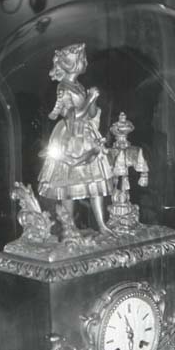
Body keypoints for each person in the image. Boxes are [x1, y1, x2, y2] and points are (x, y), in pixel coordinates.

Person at [38, 43, 113, 233]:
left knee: (95, 183)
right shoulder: (63, 88)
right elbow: (72, 116)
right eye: (82, 59)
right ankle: (69, 228)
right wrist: (89, 99)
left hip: (86, 135)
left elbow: (91, 114)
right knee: (68, 187)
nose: (85, 62)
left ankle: (102, 225)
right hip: (71, 138)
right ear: (70, 64)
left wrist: (93, 100)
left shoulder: (79, 85)